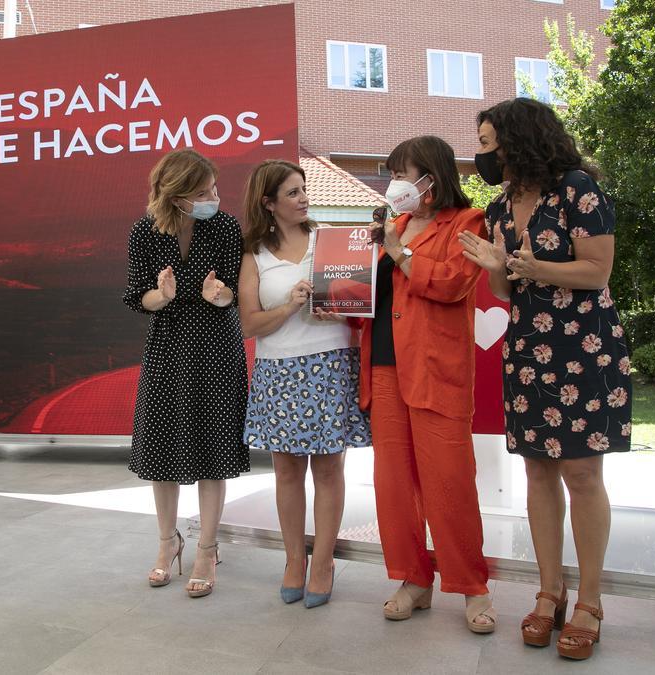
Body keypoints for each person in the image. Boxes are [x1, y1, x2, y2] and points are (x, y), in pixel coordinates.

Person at [459, 97, 633, 660]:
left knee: (581, 473)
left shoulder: (579, 188)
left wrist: (537, 268)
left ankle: (589, 600)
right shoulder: (500, 207)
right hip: (530, 348)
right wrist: (499, 271)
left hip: (586, 346)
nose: (481, 154)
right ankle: (548, 592)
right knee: (538, 474)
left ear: (519, 139)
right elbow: (511, 290)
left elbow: (597, 269)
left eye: (487, 143)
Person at [354, 136, 495, 633]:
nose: (395, 183)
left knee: (448, 481)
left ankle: (472, 585)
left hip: (436, 369)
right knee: (393, 483)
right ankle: (413, 579)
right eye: (391, 172)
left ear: (431, 178)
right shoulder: (389, 225)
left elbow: (454, 283)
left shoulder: (468, 222)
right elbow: (364, 295)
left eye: (404, 172)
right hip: (385, 366)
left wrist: (398, 252)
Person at [238, 160, 371, 608]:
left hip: (332, 363)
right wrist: (291, 306)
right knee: (287, 469)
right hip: (279, 371)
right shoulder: (254, 253)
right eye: (292, 193)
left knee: (330, 468)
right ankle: (295, 559)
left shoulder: (331, 238)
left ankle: (323, 562)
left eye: (303, 189)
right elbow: (251, 324)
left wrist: (342, 308)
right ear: (268, 203)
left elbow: (359, 300)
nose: (303, 199)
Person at [123, 149, 248, 599]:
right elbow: (139, 297)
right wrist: (161, 294)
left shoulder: (227, 226)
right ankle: (166, 542)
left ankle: (207, 548)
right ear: (175, 196)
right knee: (162, 446)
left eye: (214, 188)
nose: (213, 197)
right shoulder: (145, 231)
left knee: (213, 447)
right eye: (202, 192)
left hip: (217, 346)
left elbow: (234, 289)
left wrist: (221, 295)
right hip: (168, 346)